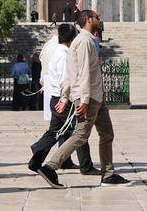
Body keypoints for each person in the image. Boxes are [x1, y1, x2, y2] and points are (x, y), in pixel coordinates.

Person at [35, 10, 128, 189]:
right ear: (88, 20)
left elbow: (71, 72)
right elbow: (83, 71)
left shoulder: (82, 41)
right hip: (89, 97)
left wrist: (65, 95)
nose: (99, 19)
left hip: (96, 97)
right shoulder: (84, 41)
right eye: (97, 17)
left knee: (107, 134)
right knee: (80, 135)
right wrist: (83, 100)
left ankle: (108, 174)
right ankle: (50, 167)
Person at [29, 23, 99, 177]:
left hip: (57, 99)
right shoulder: (64, 54)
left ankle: (36, 160)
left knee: (55, 132)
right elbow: (64, 79)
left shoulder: (58, 51)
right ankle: (86, 166)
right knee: (80, 132)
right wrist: (65, 99)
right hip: (62, 100)